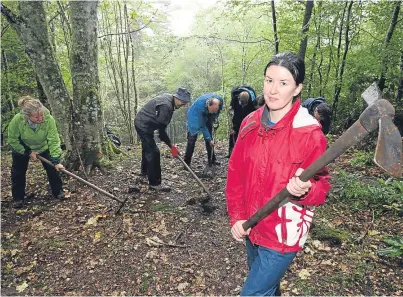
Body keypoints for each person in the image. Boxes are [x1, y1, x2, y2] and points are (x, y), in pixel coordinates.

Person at [226, 52, 331, 296]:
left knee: (253, 293)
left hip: (283, 233)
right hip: (252, 225)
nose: (273, 90)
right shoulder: (250, 123)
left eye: (283, 83)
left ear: (297, 88)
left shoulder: (309, 133)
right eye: (269, 80)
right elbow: (236, 175)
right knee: (267, 288)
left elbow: (321, 187)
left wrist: (306, 190)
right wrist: (238, 217)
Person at [7, 96, 66, 209]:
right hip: (22, 147)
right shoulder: (17, 120)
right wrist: (27, 151)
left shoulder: (49, 119)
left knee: (53, 168)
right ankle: (18, 198)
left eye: (41, 115)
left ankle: (58, 192)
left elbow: (53, 139)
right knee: (18, 173)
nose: (40, 119)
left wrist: (56, 160)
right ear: (27, 116)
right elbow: (13, 139)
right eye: (36, 117)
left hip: (43, 147)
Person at [134, 87, 191, 192]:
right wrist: (171, 147)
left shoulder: (169, 100)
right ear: (177, 98)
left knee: (147, 148)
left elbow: (161, 129)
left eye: (185, 103)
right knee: (154, 152)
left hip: (145, 122)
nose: (184, 105)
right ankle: (154, 184)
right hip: (143, 124)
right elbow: (162, 132)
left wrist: (171, 147)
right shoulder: (166, 106)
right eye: (183, 102)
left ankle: (144, 172)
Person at [183, 93, 224, 168]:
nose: (213, 111)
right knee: (192, 138)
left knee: (210, 136)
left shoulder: (220, 100)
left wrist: (215, 117)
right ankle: (187, 162)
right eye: (212, 110)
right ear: (209, 105)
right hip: (195, 115)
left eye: (214, 110)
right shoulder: (199, 108)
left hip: (208, 114)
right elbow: (202, 126)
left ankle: (212, 159)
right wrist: (208, 139)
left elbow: (218, 111)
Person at [227, 85, 257, 157]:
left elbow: (254, 111)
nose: (243, 105)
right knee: (234, 132)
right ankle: (231, 152)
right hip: (237, 115)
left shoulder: (252, 100)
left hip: (248, 116)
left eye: (244, 103)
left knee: (246, 132)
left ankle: (246, 151)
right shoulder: (235, 97)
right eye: (242, 103)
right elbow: (232, 109)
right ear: (239, 98)